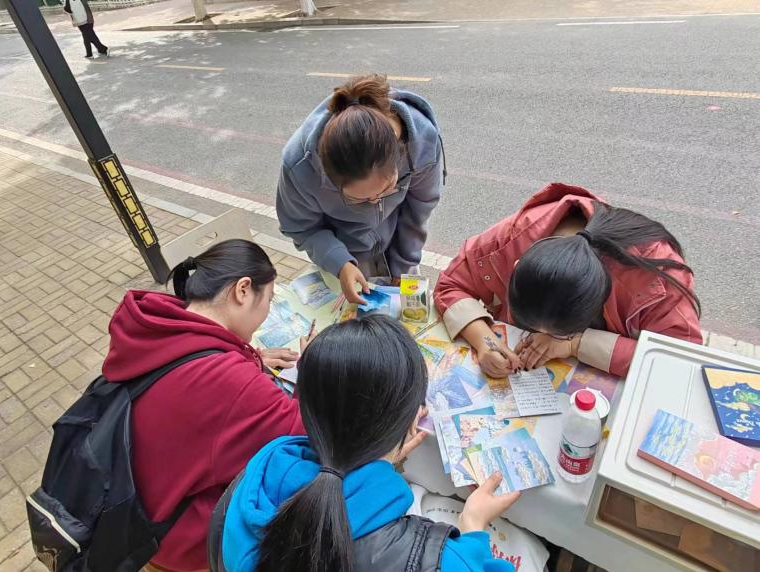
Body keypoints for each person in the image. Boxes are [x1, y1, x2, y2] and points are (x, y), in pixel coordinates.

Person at [221, 316, 520, 572]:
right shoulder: (438, 560)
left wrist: (380, 461)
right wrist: (473, 526)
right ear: (411, 422)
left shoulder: (263, 470)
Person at [102, 239, 311, 572]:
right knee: (301, 482)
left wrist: (251, 358)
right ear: (243, 290)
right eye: (269, 299)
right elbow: (304, 432)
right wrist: (310, 369)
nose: (267, 312)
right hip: (179, 539)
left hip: (135, 507)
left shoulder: (158, 322)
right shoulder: (229, 381)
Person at [434, 183, 701, 378]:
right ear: (516, 267)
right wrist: (484, 341)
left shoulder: (655, 275)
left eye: (561, 332)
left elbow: (679, 360)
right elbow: (451, 284)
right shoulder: (511, 239)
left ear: (600, 295)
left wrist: (575, 344)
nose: (540, 338)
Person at [276, 73, 445, 305]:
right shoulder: (300, 166)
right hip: (344, 251)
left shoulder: (421, 141)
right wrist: (339, 262)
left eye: (387, 189)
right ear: (328, 178)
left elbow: (419, 209)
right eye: (357, 199)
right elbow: (301, 227)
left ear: (399, 156)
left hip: (400, 241)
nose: (375, 201)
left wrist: (404, 266)